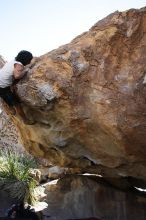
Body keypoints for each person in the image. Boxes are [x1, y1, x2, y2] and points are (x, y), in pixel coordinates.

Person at [0, 50, 33, 123]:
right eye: (30, 60)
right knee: (17, 105)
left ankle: (10, 106)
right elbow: (17, 76)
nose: (30, 61)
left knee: (4, 95)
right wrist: (26, 70)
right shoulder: (19, 66)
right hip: (2, 87)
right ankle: (25, 120)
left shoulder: (14, 60)